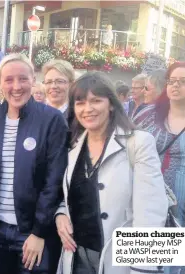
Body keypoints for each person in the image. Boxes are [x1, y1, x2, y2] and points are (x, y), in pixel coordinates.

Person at [55, 71, 168, 274]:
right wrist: (61, 214)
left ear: (112, 104)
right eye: (80, 103)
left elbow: (151, 212)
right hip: (77, 257)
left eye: (95, 101)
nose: (87, 109)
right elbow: (70, 196)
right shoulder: (74, 149)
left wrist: (143, 269)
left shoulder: (139, 142)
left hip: (120, 261)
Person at [0, 53, 68, 274]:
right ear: (0, 84)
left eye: (23, 79)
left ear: (33, 81)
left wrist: (39, 232)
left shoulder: (51, 120)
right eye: (9, 80)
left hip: (31, 235)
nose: (16, 86)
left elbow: (54, 181)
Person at [134, 62, 185, 274]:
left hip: (180, 201)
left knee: (176, 265)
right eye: (172, 81)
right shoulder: (147, 116)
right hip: (148, 197)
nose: (176, 86)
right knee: (146, 263)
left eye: (183, 82)